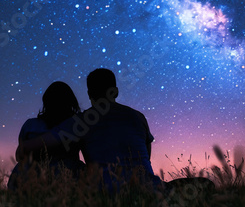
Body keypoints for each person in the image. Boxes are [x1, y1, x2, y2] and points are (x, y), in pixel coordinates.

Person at [16, 68, 162, 192]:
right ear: (115, 92)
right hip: (151, 188)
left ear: (89, 94)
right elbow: (146, 156)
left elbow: (25, 149)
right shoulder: (138, 117)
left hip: (108, 191)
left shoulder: (82, 121)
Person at [8, 81, 85, 190]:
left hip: (28, 178)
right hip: (67, 178)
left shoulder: (30, 125)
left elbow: (20, 156)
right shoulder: (77, 126)